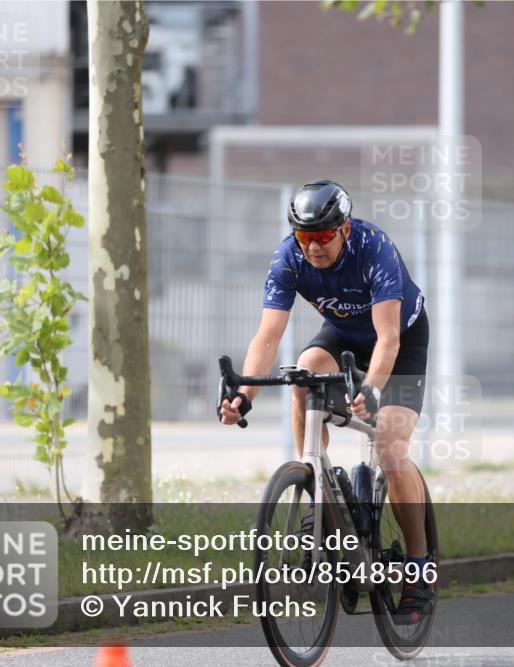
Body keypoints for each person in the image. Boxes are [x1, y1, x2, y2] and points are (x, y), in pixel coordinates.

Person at [218, 179, 433, 624]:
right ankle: (316, 480)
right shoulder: (289, 257)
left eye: (321, 236)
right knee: (303, 372)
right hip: (345, 336)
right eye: (304, 236)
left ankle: (418, 567)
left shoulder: (375, 249)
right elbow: (268, 336)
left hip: (399, 339)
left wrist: (370, 391)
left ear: (344, 229)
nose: (312, 247)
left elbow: (389, 340)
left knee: (391, 449)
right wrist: (244, 395)